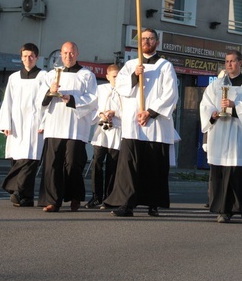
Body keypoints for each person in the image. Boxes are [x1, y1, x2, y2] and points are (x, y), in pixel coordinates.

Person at [104, 28, 178, 217]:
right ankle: (126, 203)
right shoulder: (130, 65)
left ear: (157, 42)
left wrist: (150, 112)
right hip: (133, 124)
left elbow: (171, 94)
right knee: (129, 165)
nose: (146, 41)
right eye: (143, 39)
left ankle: (153, 203)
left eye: (150, 38)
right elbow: (120, 88)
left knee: (154, 166)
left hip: (155, 124)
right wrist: (134, 77)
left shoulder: (165, 66)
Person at [200, 51, 242, 223]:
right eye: (227, 61)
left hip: (238, 135)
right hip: (220, 134)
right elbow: (205, 104)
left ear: (240, 63)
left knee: (235, 174)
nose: (229, 64)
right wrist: (211, 114)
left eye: (233, 61)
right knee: (219, 174)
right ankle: (221, 209)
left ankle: (232, 209)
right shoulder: (216, 85)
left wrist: (235, 107)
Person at [38, 42, 98, 213]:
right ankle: (53, 201)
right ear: (60, 55)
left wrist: (69, 98)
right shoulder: (51, 75)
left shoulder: (87, 75)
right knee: (53, 165)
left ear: (77, 54)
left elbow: (92, 99)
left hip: (76, 127)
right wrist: (50, 92)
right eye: (64, 53)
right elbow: (39, 101)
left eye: (71, 53)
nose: (68, 56)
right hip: (54, 124)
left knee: (72, 163)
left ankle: (75, 197)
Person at [0, 43, 47, 208]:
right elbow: (7, 101)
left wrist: (45, 122)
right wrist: (5, 123)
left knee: (30, 159)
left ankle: (15, 189)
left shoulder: (44, 76)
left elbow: (47, 102)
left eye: (31, 56)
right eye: (25, 56)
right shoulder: (14, 77)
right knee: (17, 157)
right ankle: (26, 197)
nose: (28, 59)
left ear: (37, 57)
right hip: (17, 122)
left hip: (35, 123)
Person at [86, 64, 122, 209]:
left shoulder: (125, 91)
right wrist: (101, 114)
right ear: (107, 77)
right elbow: (93, 108)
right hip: (102, 130)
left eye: (119, 76)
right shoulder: (101, 89)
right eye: (114, 76)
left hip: (117, 130)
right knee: (97, 163)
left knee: (113, 165)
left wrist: (115, 114)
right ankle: (96, 196)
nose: (116, 79)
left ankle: (109, 197)